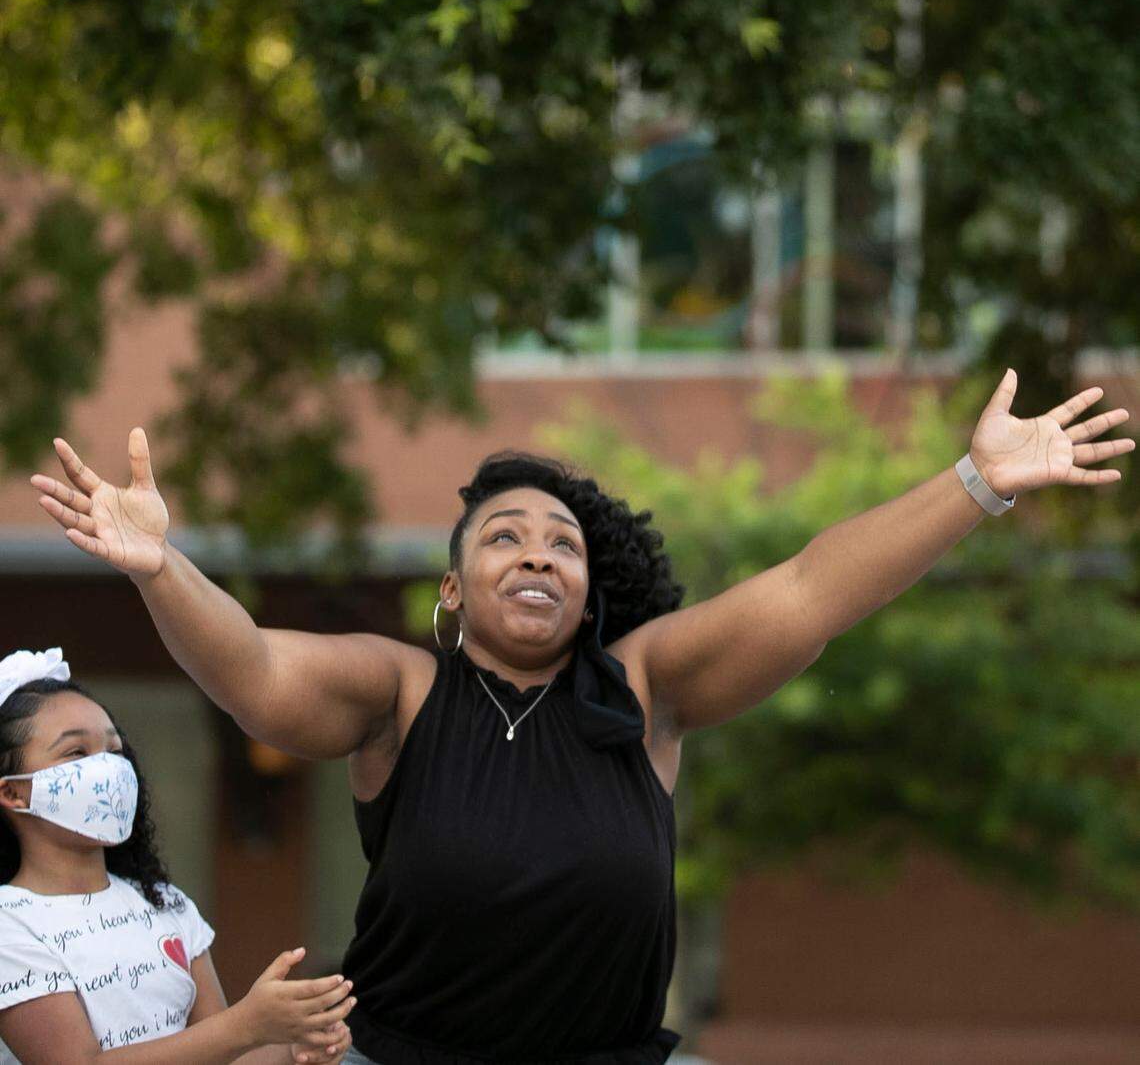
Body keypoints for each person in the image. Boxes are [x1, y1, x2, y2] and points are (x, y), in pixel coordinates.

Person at [29, 370, 1133, 1064]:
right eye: (505, 535)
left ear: (588, 590)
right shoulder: (400, 691)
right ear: (453, 589)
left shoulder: (644, 689)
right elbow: (258, 672)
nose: (539, 553)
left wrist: (976, 485)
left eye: (564, 543)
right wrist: (160, 568)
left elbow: (806, 590)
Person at [0, 649, 355, 1065]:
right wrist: (247, 1024)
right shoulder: (10, 923)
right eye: (76, 753)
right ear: (13, 792)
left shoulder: (164, 902)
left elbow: (221, 1055)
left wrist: (294, 1047)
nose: (108, 769)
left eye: (114, 751)